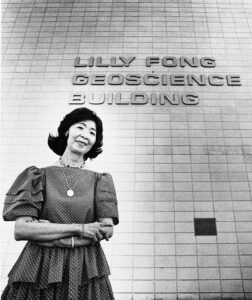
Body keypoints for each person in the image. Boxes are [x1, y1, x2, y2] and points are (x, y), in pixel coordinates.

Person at [2, 107, 119, 300]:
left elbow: (106, 229)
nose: (85, 135)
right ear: (66, 131)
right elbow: (22, 230)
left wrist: (51, 236)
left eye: (92, 132)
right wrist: (80, 229)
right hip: (38, 267)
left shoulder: (101, 180)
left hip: (85, 268)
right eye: (80, 127)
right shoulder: (37, 176)